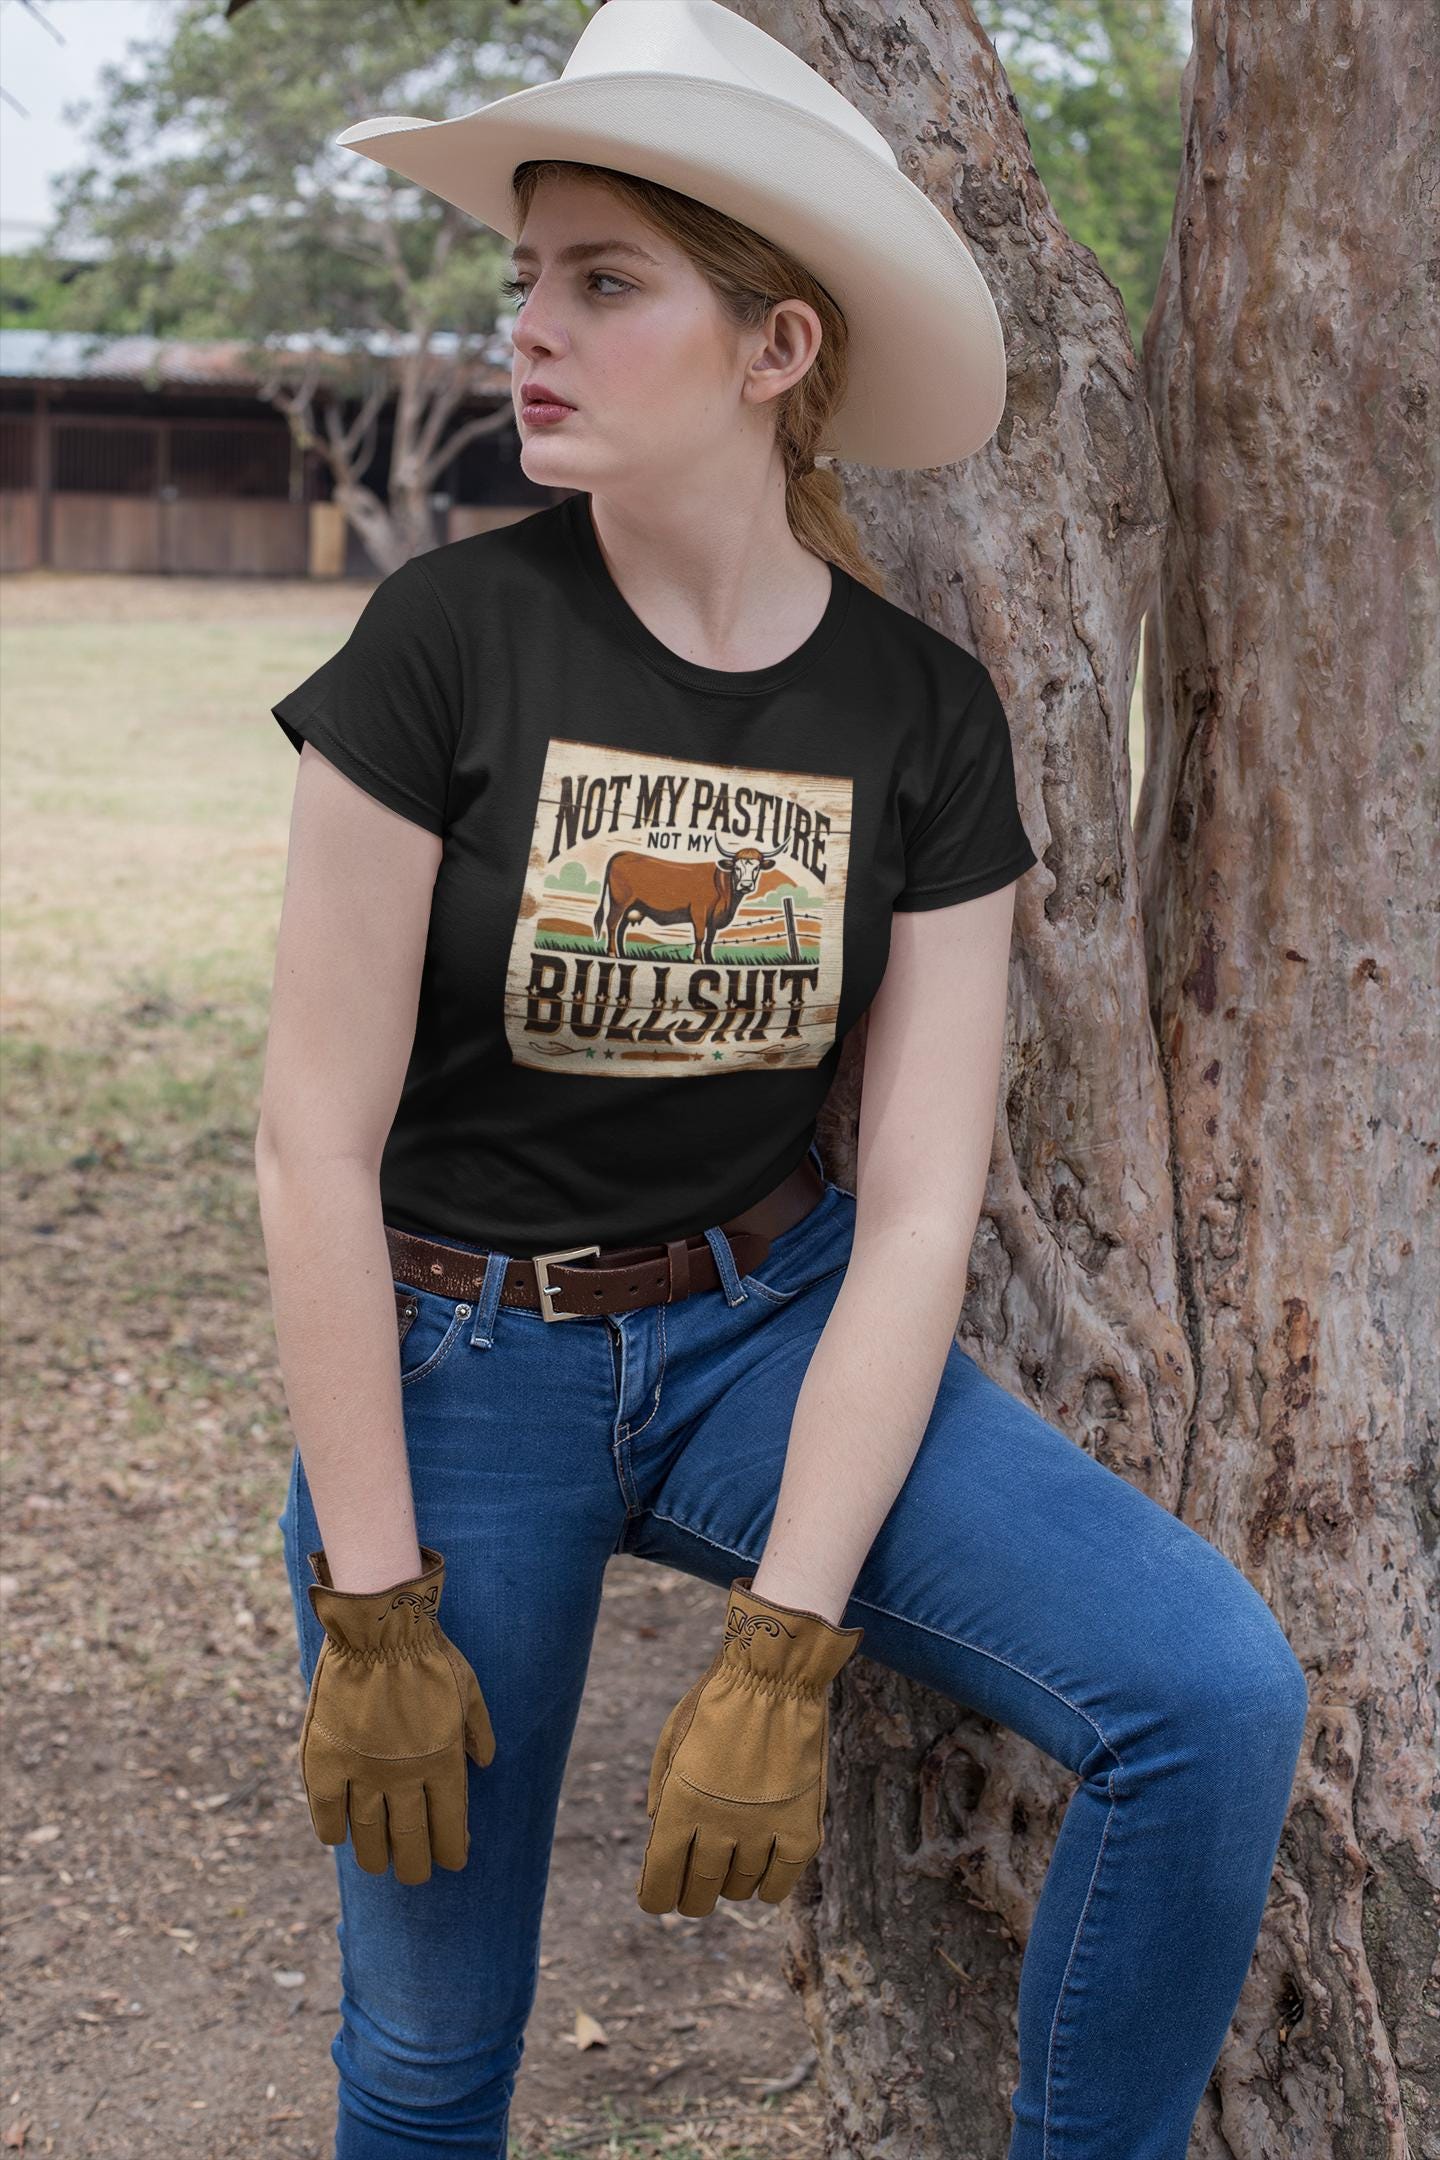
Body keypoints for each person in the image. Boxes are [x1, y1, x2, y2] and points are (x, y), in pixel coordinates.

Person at [254, 5, 1310, 2156]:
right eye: (527, 276)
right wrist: (373, 1599)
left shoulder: (921, 716)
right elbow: (308, 1143)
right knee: (438, 2048)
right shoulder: (443, 645)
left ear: (771, 346)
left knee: (1206, 1698)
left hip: (772, 1326)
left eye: (604, 280)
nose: (530, 327)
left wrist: (786, 1643)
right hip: (456, 1354)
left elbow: (920, 1200)